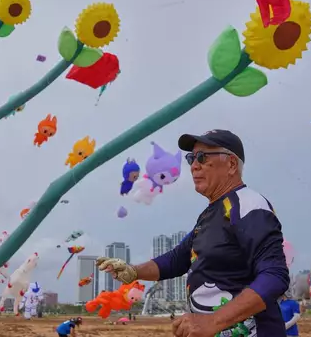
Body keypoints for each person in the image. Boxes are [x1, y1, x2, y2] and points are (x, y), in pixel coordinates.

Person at [96, 130, 290, 336]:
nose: (194, 166)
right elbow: (177, 259)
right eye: (191, 158)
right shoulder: (211, 213)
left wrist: (213, 321)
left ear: (232, 164)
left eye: (202, 157)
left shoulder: (248, 206)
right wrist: (133, 271)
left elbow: (275, 275)